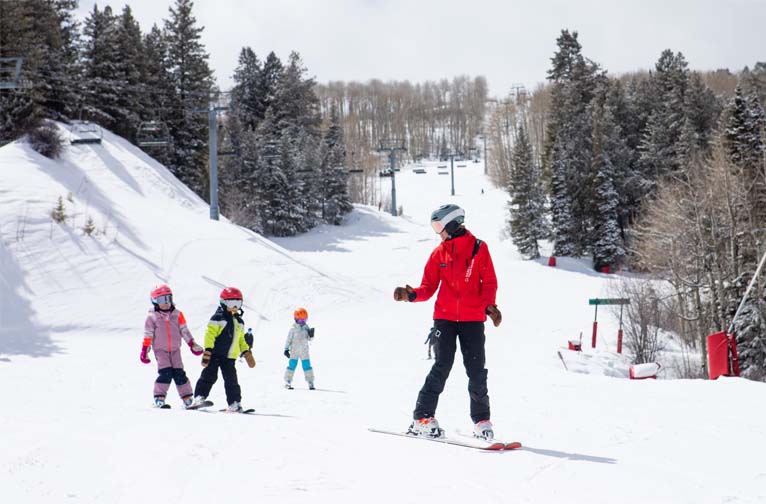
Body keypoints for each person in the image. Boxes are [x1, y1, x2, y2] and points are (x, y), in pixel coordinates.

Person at [394, 204, 503, 440]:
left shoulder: (479, 249)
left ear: (452, 225)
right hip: (444, 318)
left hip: (473, 319)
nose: (437, 232)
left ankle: (482, 421)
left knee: (476, 371)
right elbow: (428, 287)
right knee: (441, 366)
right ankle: (422, 417)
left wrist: (489, 305)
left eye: (438, 227)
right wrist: (411, 294)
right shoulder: (438, 253)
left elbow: (490, 282)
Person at [190, 287, 255, 412]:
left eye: (238, 303)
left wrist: (246, 352)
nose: (235, 307)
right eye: (231, 303)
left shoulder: (239, 321)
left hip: (229, 357)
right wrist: (208, 350)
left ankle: (234, 403)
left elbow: (241, 340)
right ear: (223, 303)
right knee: (209, 376)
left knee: (232, 381)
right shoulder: (218, 318)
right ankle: (199, 397)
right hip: (215, 354)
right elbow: (210, 334)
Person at [141, 284, 204, 408]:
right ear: (154, 301)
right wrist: (145, 350)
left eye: (168, 299)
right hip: (160, 350)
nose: (166, 303)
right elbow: (148, 334)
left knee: (179, 373)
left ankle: (187, 398)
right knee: (166, 373)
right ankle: (159, 398)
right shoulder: (152, 317)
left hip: (175, 350)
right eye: (162, 300)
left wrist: (192, 344)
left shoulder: (177, 314)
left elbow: (184, 330)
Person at [283, 307, 316, 390]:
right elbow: (288, 339)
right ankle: (288, 381)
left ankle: (310, 382)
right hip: (294, 351)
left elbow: (309, 339)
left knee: (307, 366)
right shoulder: (293, 329)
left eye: (304, 320)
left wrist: (311, 335)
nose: (302, 323)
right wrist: (286, 349)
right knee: (292, 366)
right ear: (296, 319)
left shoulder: (306, 328)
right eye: (301, 321)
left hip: (304, 352)